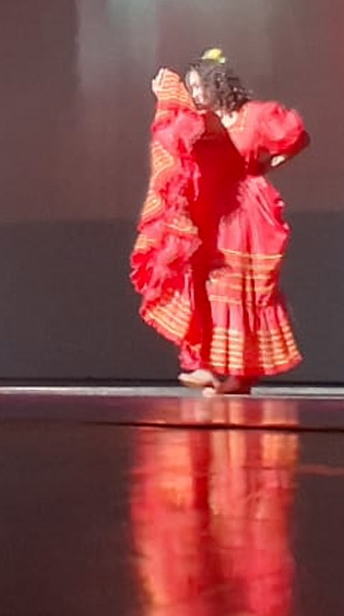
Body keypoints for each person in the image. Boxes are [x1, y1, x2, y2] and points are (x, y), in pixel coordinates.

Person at [130, 50, 308, 395]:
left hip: (246, 215)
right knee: (208, 286)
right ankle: (209, 366)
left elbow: (296, 138)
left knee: (242, 289)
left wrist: (265, 166)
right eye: (192, 89)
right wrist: (167, 94)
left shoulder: (254, 116)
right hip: (212, 212)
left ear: (217, 83)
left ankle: (241, 375)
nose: (196, 95)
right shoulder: (203, 121)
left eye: (200, 87)